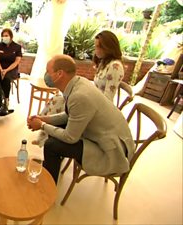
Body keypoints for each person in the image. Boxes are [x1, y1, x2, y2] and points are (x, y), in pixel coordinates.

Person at [27, 54, 134, 184]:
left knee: (51, 145)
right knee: (56, 132)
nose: (46, 75)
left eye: (48, 71)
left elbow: (70, 137)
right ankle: (52, 167)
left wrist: (42, 125)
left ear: (59, 74)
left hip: (111, 151)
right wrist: (43, 119)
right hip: (104, 135)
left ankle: (48, 187)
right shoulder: (78, 82)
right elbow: (70, 115)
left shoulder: (79, 96)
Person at [0, 28, 22, 113]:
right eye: (3, 36)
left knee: (6, 78)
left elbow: (17, 62)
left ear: (11, 36)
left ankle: (6, 102)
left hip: (12, 69)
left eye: (6, 36)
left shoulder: (17, 47)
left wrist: (6, 70)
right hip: (0, 67)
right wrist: (1, 69)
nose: (4, 37)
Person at [93, 30, 124, 101]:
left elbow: (108, 98)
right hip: (95, 102)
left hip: (102, 108)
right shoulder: (104, 62)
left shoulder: (115, 67)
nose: (95, 50)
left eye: (98, 47)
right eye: (95, 47)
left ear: (108, 48)